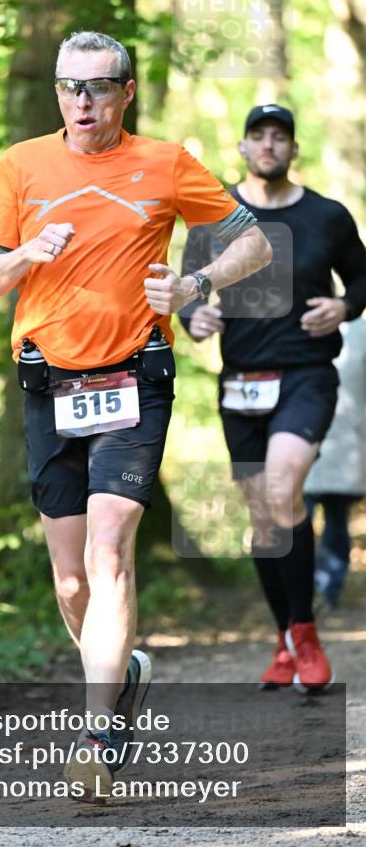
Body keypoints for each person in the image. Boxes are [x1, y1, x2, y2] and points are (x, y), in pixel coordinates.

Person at [0, 31, 271, 798]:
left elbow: (255, 244)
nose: (81, 101)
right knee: (71, 581)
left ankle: (96, 737)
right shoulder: (20, 166)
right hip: (47, 383)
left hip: (134, 377)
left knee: (108, 554)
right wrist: (26, 253)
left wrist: (197, 284)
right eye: (70, 86)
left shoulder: (165, 162)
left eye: (99, 87)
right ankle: (122, 673)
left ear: (125, 92)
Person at [180, 103, 366, 692]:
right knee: (263, 517)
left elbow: (362, 278)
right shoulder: (215, 219)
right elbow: (187, 290)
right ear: (242, 148)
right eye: (258, 136)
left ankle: (305, 633)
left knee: (285, 485)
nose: (268, 146)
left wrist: (345, 306)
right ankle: (285, 636)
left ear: (292, 149)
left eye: (279, 137)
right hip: (240, 381)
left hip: (306, 374)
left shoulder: (327, 216)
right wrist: (194, 316)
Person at [304, 319, 366, 607]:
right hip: (317, 441)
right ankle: (319, 586)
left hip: (335, 444)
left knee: (326, 520)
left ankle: (322, 587)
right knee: (308, 518)